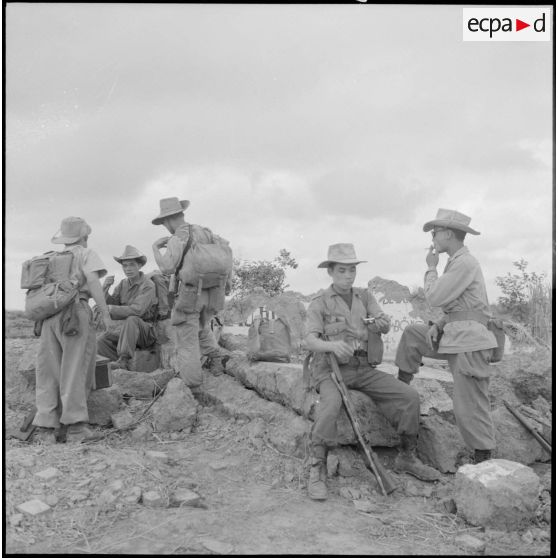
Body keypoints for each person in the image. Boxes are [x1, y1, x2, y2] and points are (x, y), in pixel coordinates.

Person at [304, 243, 441, 500]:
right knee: (330, 405)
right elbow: (309, 340)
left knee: (408, 396)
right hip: (331, 370)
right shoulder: (319, 303)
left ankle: (406, 456)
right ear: (331, 272)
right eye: (342, 270)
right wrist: (333, 345)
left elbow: (385, 324)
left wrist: (376, 325)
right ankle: (317, 467)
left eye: (352, 270)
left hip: (363, 367)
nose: (348, 275)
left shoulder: (365, 297)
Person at [394, 209, 498, 465]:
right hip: (455, 334)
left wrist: (431, 268)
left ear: (449, 234)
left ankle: (483, 461)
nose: (433, 236)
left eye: (436, 232)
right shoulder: (457, 261)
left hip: (469, 342)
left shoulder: (464, 262)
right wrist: (440, 323)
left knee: (469, 406)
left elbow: (435, 297)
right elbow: (464, 304)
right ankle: (401, 391)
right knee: (413, 335)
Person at [32, 217, 111, 443]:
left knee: (48, 372)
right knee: (76, 368)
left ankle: (47, 429)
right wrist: (104, 313)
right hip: (75, 314)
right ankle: (76, 428)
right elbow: (94, 282)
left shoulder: (49, 257)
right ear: (84, 236)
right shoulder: (86, 254)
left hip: (49, 317)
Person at [151, 197, 231, 387]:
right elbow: (226, 256)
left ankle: (192, 386)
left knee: (186, 341)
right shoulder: (206, 232)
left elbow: (167, 268)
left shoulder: (177, 237)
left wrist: (155, 249)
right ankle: (216, 357)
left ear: (167, 220)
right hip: (213, 293)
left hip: (190, 294)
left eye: (163, 222)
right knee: (202, 326)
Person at [96, 245, 158, 370]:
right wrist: (105, 289)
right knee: (102, 340)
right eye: (125, 266)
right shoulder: (123, 284)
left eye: (131, 265)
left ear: (139, 266)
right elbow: (114, 303)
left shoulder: (148, 285)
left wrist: (111, 309)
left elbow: (138, 310)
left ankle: (124, 360)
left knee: (132, 319)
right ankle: (111, 365)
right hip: (126, 331)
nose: (128, 269)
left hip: (145, 332)